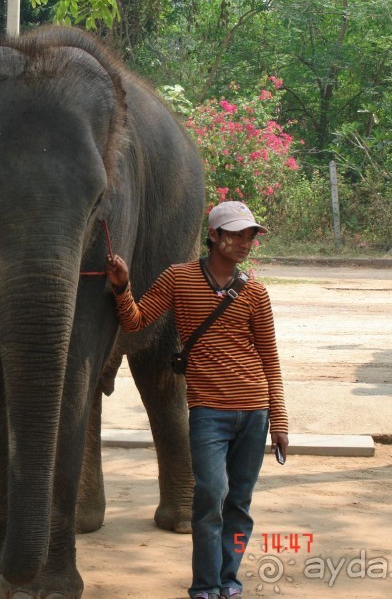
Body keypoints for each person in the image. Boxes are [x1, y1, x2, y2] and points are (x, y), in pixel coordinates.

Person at [105, 200, 289, 599]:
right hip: (208, 413)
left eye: (250, 235)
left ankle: (229, 581)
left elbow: (270, 361)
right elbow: (135, 321)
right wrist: (122, 286)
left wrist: (280, 421)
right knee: (209, 499)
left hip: (254, 412)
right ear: (214, 236)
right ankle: (205, 586)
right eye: (236, 234)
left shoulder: (255, 293)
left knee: (240, 505)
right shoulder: (179, 278)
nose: (245, 242)